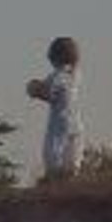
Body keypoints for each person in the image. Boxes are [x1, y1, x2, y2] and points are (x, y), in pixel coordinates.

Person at [26, 37, 84, 180]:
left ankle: (56, 184)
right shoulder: (76, 74)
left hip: (59, 123)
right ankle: (71, 183)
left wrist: (33, 89)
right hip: (76, 122)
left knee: (53, 155)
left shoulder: (57, 76)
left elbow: (49, 94)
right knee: (73, 159)